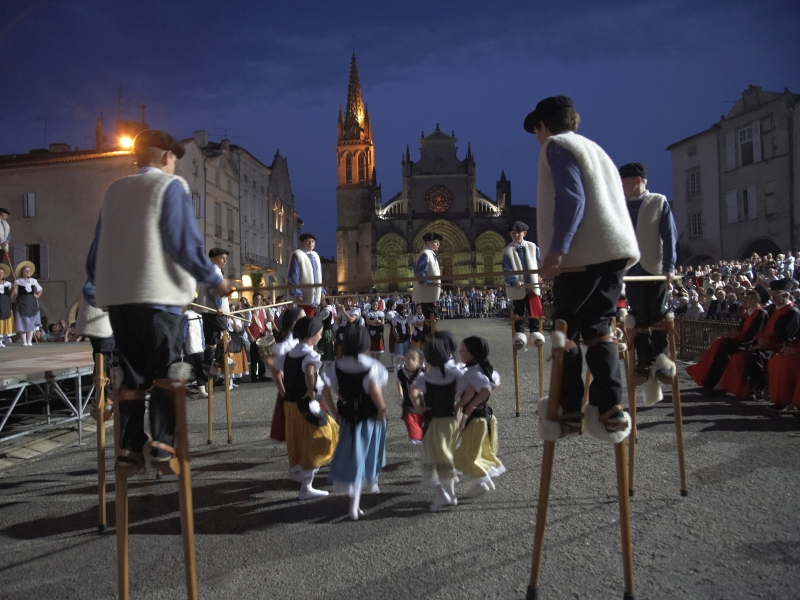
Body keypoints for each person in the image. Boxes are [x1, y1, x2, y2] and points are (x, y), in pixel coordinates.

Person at [86, 129, 231, 470]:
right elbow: (182, 241)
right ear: (168, 158)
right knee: (168, 369)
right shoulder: (171, 187)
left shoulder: (114, 191)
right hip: (157, 298)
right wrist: (213, 280)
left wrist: (98, 285)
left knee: (132, 376)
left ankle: (130, 446)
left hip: (120, 305)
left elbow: (95, 254)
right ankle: (164, 443)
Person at [524, 95, 640, 440]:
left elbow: (571, 199)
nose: (537, 138)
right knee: (599, 329)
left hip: (582, 256)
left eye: (536, 130)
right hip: (614, 251)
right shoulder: (596, 149)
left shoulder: (557, 146)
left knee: (565, 330)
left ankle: (569, 409)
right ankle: (611, 407)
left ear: (544, 126)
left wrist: (557, 250)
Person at [321, 325, 388, 520]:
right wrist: (382, 411)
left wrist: (334, 409)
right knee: (368, 453)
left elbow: (325, 388)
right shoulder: (372, 366)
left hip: (347, 415)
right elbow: (375, 391)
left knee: (351, 453)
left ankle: (356, 495)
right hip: (369, 417)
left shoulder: (337, 366)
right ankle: (359, 497)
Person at [619, 162, 678, 381]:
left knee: (659, 315)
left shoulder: (658, 201)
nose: (620, 186)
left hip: (654, 268)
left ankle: (661, 360)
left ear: (637, 180)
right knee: (637, 316)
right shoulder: (620, 204)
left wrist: (669, 267)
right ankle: (643, 360)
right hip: (631, 270)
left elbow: (669, 237)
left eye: (623, 182)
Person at [274, 316, 339, 499]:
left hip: (290, 404)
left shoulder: (289, 354)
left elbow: (275, 368)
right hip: (306, 405)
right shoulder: (310, 355)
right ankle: (306, 486)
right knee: (321, 438)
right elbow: (310, 372)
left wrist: (282, 389)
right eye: (319, 334)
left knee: (298, 437)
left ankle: (296, 470)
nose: (320, 337)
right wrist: (310, 391)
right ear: (312, 335)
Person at [719, 279, 800, 400]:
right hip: (765, 343)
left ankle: (758, 389)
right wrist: (759, 339)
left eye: (775, 296)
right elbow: (763, 329)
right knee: (746, 352)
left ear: (785, 295)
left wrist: (765, 344)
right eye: (772, 296)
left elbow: (787, 335)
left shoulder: (793, 312)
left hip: (778, 345)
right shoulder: (773, 309)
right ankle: (742, 387)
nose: (772, 299)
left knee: (756, 356)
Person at [409, 336, 464, 512]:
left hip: (434, 422)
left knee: (431, 458)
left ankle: (441, 495)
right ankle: (451, 494)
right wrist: (459, 406)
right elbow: (468, 388)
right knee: (446, 457)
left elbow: (413, 391)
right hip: (452, 421)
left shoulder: (426, 377)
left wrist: (419, 407)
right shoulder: (455, 374)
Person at [686, 289, 768, 393]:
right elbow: (740, 328)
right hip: (742, 339)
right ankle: (714, 380)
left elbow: (756, 331)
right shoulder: (749, 312)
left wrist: (740, 337)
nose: (750, 300)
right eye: (749, 298)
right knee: (721, 344)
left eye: (753, 298)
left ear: (758, 299)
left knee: (724, 347)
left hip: (749, 342)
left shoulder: (761, 313)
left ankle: (718, 382)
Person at [453, 336, 504, 498]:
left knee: (465, 456)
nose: (460, 352)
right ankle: (485, 481)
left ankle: (481, 482)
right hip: (485, 417)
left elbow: (486, 390)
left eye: (463, 350)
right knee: (477, 453)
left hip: (476, 420)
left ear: (472, 354)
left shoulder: (472, 373)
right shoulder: (484, 368)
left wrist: (471, 405)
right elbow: (495, 383)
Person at [502, 221, 543, 350]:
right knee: (519, 310)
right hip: (518, 286)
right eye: (513, 233)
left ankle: (534, 332)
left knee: (534, 309)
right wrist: (515, 281)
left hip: (531, 284)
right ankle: (519, 334)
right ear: (510, 234)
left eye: (518, 233)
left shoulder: (532, 247)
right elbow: (507, 269)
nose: (516, 235)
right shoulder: (507, 251)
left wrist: (540, 276)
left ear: (524, 233)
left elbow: (540, 263)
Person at [268, 307, 304, 443]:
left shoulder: (302, 340)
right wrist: (284, 393)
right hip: (292, 390)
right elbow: (276, 372)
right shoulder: (284, 346)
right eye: (303, 319)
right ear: (294, 323)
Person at [197, 248, 231, 376]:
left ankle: (207, 364)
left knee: (210, 341)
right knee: (225, 334)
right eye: (222, 258)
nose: (225, 261)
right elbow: (214, 290)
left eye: (225, 259)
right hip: (214, 311)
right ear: (213, 259)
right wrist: (218, 306)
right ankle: (222, 360)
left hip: (206, 310)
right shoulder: (215, 270)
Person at [412, 232, 443, 340]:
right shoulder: (425, 254)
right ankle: (428, 341)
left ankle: (428, 341)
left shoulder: (430, 254)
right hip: (426, 295)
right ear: (428, 243)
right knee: (431, 319)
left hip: (429, 295)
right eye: (436, 241)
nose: (438, 244)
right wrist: (430, 283)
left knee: (431, 319)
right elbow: (420, 274)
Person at [288, 233, 324, 317]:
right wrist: (297, 294)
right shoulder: (297, 255)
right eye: (308, 241)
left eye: (312, 241)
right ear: (302, 243)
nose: (311, 243)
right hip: (303, 299)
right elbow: (293, 276)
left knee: (311, 322)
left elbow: (319, 276)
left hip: (314, 300)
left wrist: (321, 291)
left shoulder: (316, 256)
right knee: (303, 321)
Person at [394, 346, 424, 444]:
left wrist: (420, 392)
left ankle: (421, 436)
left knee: (421, 421)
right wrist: (400, 393)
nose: (409, 360)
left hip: (420, 402)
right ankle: (415, 437)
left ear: (419, 362)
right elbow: (398, 382)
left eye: (413, 359)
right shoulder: (400, 372)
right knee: (409, 418)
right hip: (408, 403)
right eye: (407, 357)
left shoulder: (422, 374)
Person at [13, 262, 42, 346]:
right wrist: (14, 288)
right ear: (22, 272)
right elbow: (15, 294)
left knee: (31, 321)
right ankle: (24, 341)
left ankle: (29, 341)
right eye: (26, 271)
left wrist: (37, 295)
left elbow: (40, 289)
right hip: (22, 302)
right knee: (22, 321)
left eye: (29, 271)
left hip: (31, 303)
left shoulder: (33, 281)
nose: (28, 272)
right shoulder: (18, 281)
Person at [181, 306, 207, 398]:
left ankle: (201, 389)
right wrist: (183, 345)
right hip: (191, 345)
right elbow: (183, 332)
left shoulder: (198, 316)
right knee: (193, 368)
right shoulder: (186, 316)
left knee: (198, 368)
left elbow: (201, 331)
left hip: (197, 345)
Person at [247, 293, 270, 382]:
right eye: (257, 299)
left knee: (262, 356)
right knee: (254, 357)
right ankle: (253, 375)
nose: (258, 301)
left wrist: (268, 328)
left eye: (260, 299)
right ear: (253, 300)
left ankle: (262, 374)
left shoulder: (262, 310)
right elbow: (246, 325)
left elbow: (263, 322)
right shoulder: (250, 311)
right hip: (254, 336)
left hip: (262, 335)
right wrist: (250, 336)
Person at [0, 264, 16, 346]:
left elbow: (11, 295)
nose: (0, 274)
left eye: (2, 273)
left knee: (4, 320)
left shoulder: (7, 283)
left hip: (5, 304)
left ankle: (3, 338)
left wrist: (13, 289)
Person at [317, 297, 336, 363]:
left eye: (322, 300)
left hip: (325, 331)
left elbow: (318, 319)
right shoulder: (324, 309)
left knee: (325, 348)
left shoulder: (327, 310)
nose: (321, 301)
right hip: (323, 330)